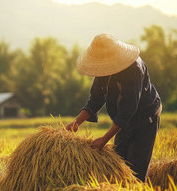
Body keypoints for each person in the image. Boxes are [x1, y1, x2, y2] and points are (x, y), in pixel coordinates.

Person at [66, 34, 162, 182]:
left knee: (136, 170)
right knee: (118, 162)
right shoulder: (103, 69)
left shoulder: (133, 69)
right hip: (124, 119)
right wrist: (76, 122)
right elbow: (95, 99)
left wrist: (104, 139)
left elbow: (128, 109)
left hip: (145, 117)